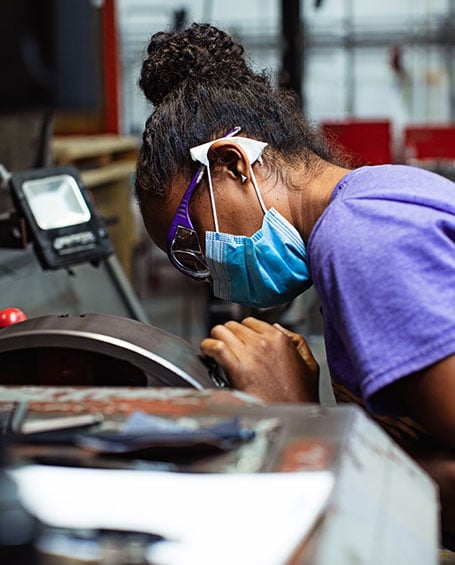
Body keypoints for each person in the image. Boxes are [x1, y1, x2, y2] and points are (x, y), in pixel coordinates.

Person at [135, 23, 455, 542]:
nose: (210, 274)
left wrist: (303, 422)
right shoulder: (372, 199)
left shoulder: (359, 238)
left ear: (231, 164)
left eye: (193, 245)